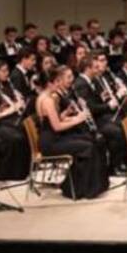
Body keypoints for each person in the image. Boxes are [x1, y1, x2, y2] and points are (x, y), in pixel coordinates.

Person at [35, 65, 109, 199]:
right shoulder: (48, 101)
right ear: (50, 83)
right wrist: (78, 119)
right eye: (57, 82)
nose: (59, 84)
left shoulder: (44, 96)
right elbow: (57, 127)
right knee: (87, 146)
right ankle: (78, 188)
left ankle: (87, 185)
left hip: (52, 138)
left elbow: (53, 120)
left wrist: (67, 114)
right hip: (51, 143)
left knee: (88, 141)